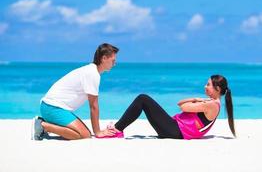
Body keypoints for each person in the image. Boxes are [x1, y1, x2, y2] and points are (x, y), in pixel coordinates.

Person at [31, 43, 119, 140]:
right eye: (113, 61)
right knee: (84, 135)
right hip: (52, 108)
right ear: (104, 58)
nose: (114, 64)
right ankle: (43, 126)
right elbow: (93, 106)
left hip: (50, 107)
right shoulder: (92, 74)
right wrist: (98, 132)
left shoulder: (91, 70)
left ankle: (44, 123)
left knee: (85, 133)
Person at [106, 75, 235, 139]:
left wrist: (196, 101)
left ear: (217, 89)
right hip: (175, 128)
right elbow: (179, 103)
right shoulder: (209, 102)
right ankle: (117, 129)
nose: (205, 86)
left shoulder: (212, 105)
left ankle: (117, 130)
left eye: (208, 85)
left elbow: (184, 108)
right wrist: (196, 99)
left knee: (143, 98)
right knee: (143, 99)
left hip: (176, 131)